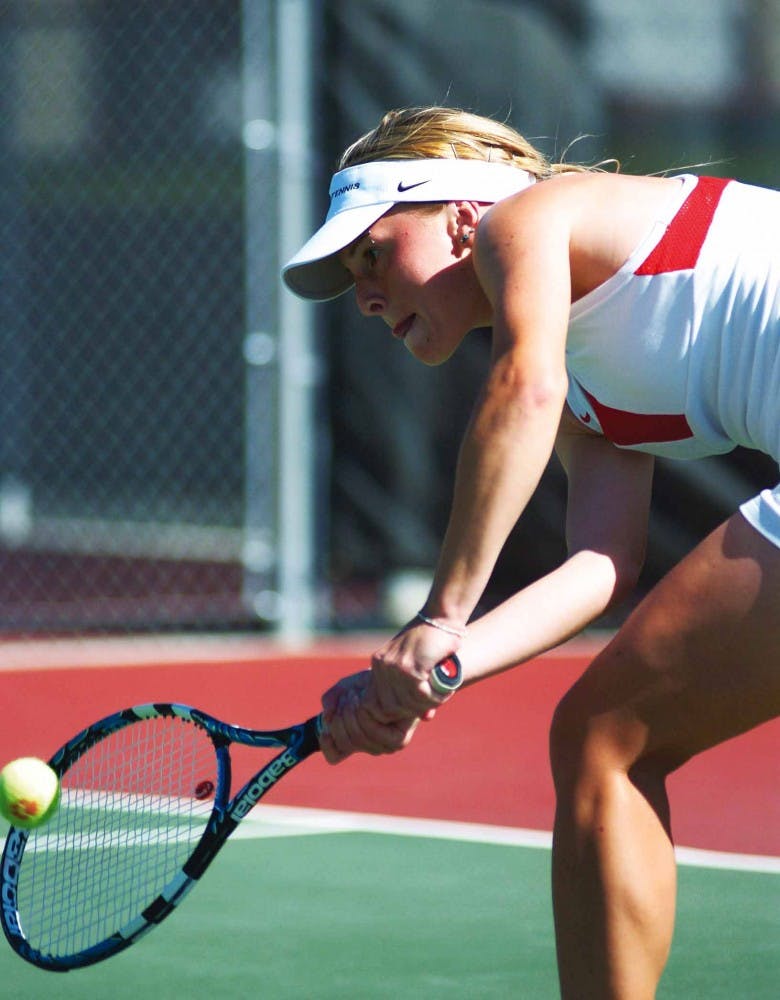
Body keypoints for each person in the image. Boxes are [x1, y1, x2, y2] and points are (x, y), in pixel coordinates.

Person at [282, 106, 780, 999]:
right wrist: (441, 668)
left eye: (373, 252)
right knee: (604, 735)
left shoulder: (529, 218)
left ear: (462, 214)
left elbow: (526, 385)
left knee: (606, 741)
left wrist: (439, 618)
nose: (363, 294)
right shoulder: (593, 383)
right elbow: (599, 568)